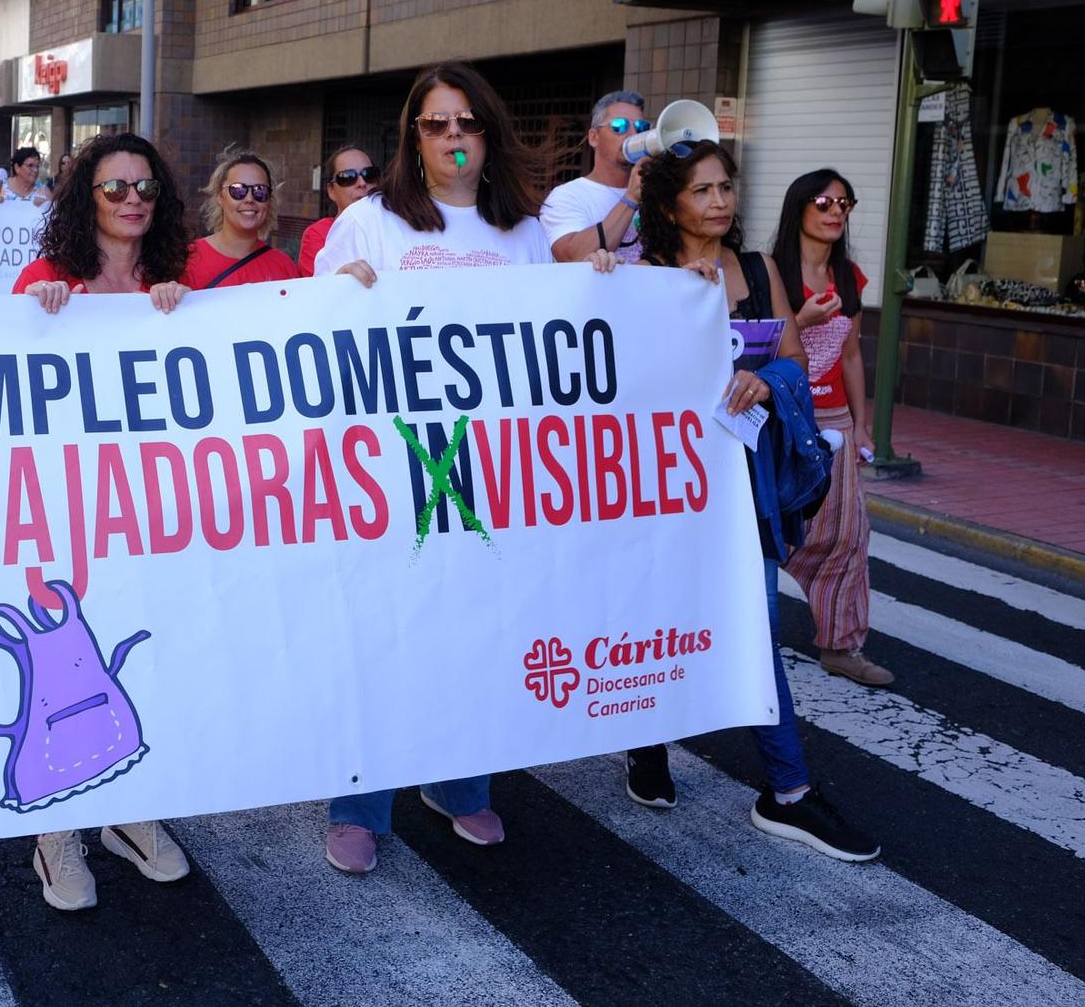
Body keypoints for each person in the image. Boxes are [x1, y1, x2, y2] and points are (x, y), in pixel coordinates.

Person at [313, 60, 600, 876]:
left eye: (466, 122)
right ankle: (360, 801)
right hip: (393, 467)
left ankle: (457, 781)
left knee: (477, 628)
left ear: (487, 133)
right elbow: (309, 326)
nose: (452, 137)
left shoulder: (523, 231)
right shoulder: (370, 222)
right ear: (413, 136)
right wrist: (339, 290)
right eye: (435, 123)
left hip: (492, 469)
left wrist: (605, 285)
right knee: (385, 632)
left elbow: (559, 344)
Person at [634, 139, 879, 862]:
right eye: (703, 189)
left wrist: (769, 381)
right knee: (659, 618)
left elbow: (796, 362)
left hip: (742, 485)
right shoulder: (644, 274)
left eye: (726, 188)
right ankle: (647, 750)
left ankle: (788, 791)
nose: (719, 201)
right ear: (670, 202)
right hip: (666, 490)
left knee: (755, 624)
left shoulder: (756, 268)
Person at [11, 130, 194, 911]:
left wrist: (192, 311)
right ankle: (58, 833)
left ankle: (129, 811)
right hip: (66, 509)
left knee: (149, 650)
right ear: (88, 197)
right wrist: (36, 316)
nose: (132, 201)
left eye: (146, 188)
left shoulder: (176, 279)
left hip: (157, 507)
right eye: (116, 188)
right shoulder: (47, 277)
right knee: (69, 666)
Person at [772, 169, 889, 688]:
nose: (836, 210)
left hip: (835, 421)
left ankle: (841, 644)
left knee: (848, 532)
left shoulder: (851, 278)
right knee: (766, 530)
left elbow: (852, 354)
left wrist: (862, 426)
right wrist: (804, 319)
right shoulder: (769, 271)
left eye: (845, 202)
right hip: (781, 417)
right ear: (799, 207)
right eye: (824, 201)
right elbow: (760, 347)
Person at [543, 90, 650, 265]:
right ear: (594, 137)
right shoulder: (567, 196)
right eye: (619, 126)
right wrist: (630, 199)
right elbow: (572, 256)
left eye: (641, 127)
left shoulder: (652, 193)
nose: (632, 134)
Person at [182, 147, 302, 289]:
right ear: (221, 197)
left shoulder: (284, 267)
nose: (249, 199)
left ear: (269, 200)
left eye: (260, 191)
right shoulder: (186, 259)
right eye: (238, 190)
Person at [297, 145, 378, 275]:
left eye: (369, 174)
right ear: (331, 191)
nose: (362, 183)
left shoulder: (392, 227)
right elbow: (315, 290)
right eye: (347, 177)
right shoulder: (318, 234)